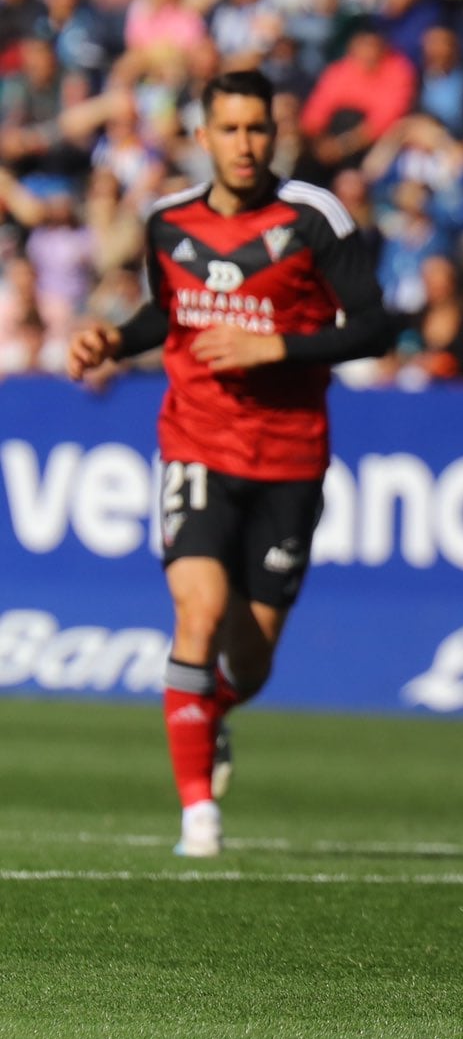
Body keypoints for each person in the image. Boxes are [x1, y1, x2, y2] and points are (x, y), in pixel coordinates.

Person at [63, 69, 392, 857]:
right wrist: (113, 338)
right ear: (202, 137)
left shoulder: (314, 218)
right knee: (196, 615)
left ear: (272, 135)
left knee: (250, 660)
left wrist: (276, 345)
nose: (245, 144)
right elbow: (165, 314)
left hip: (289, 456)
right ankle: (198, 817)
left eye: (258, 129)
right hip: (196, 441)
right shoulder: (166, 220)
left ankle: (212, 717)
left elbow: (377, 327)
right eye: (231, 129)